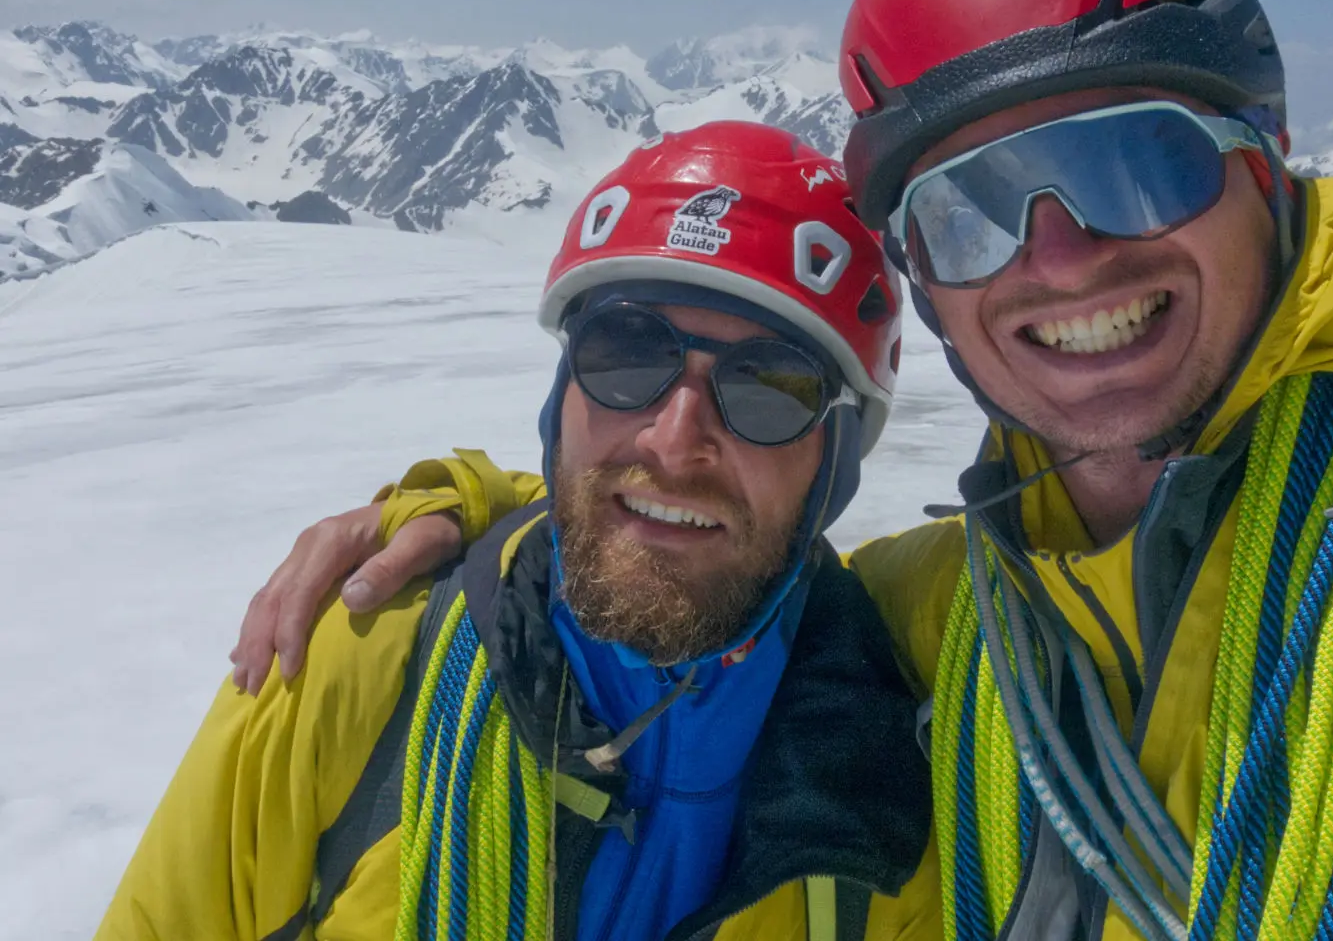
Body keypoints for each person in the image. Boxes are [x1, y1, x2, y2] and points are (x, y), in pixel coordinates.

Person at [229, 0, 1333, 941]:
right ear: (931, 295)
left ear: (1271, 175)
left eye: (1135, 163)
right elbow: (691, 550)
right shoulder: (935, 625)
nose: (1062, 253)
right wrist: (480, 518)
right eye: (973, 213)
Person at [95, 122, 936, 940]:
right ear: (559, 402)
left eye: (770, 390)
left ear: (835, 467)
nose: (673, 442)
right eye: (625, 356)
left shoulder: (900, 774)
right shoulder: (357, 667)